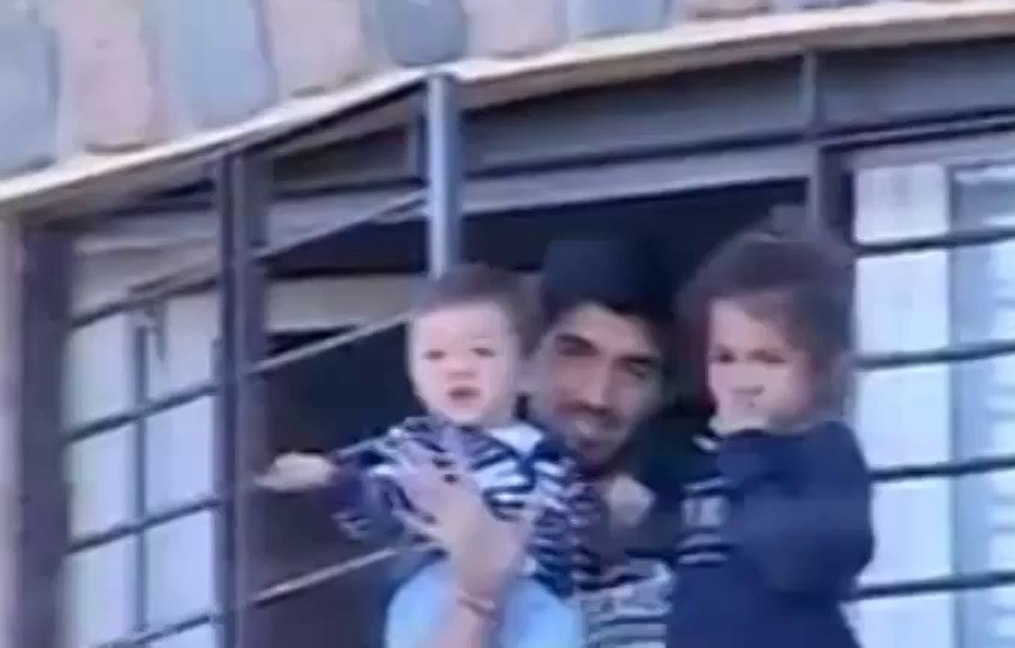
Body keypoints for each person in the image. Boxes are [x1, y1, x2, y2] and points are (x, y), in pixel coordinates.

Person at [257, 263, 601, 648]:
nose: (457, 368)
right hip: (437, 589)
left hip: (536, 599)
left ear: (527, 372)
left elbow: (578, 541)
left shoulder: (548, 453)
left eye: (482, 352)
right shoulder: (417, 443)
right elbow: (380, 508)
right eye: (434, 356)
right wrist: (335, 479)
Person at [396, 236, 682, 648]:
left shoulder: (690, 524)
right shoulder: (436, 490)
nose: (597, 395)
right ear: (522, 357)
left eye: (634, 371)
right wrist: (477, 595)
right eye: (574, 353)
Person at [665, 215, 874, 647]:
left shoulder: (823, 450)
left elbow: (800, 562)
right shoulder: (708, 456)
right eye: (725, 358)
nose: (743, 379)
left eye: (768, 359)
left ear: (820, 371)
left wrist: (748, 454)